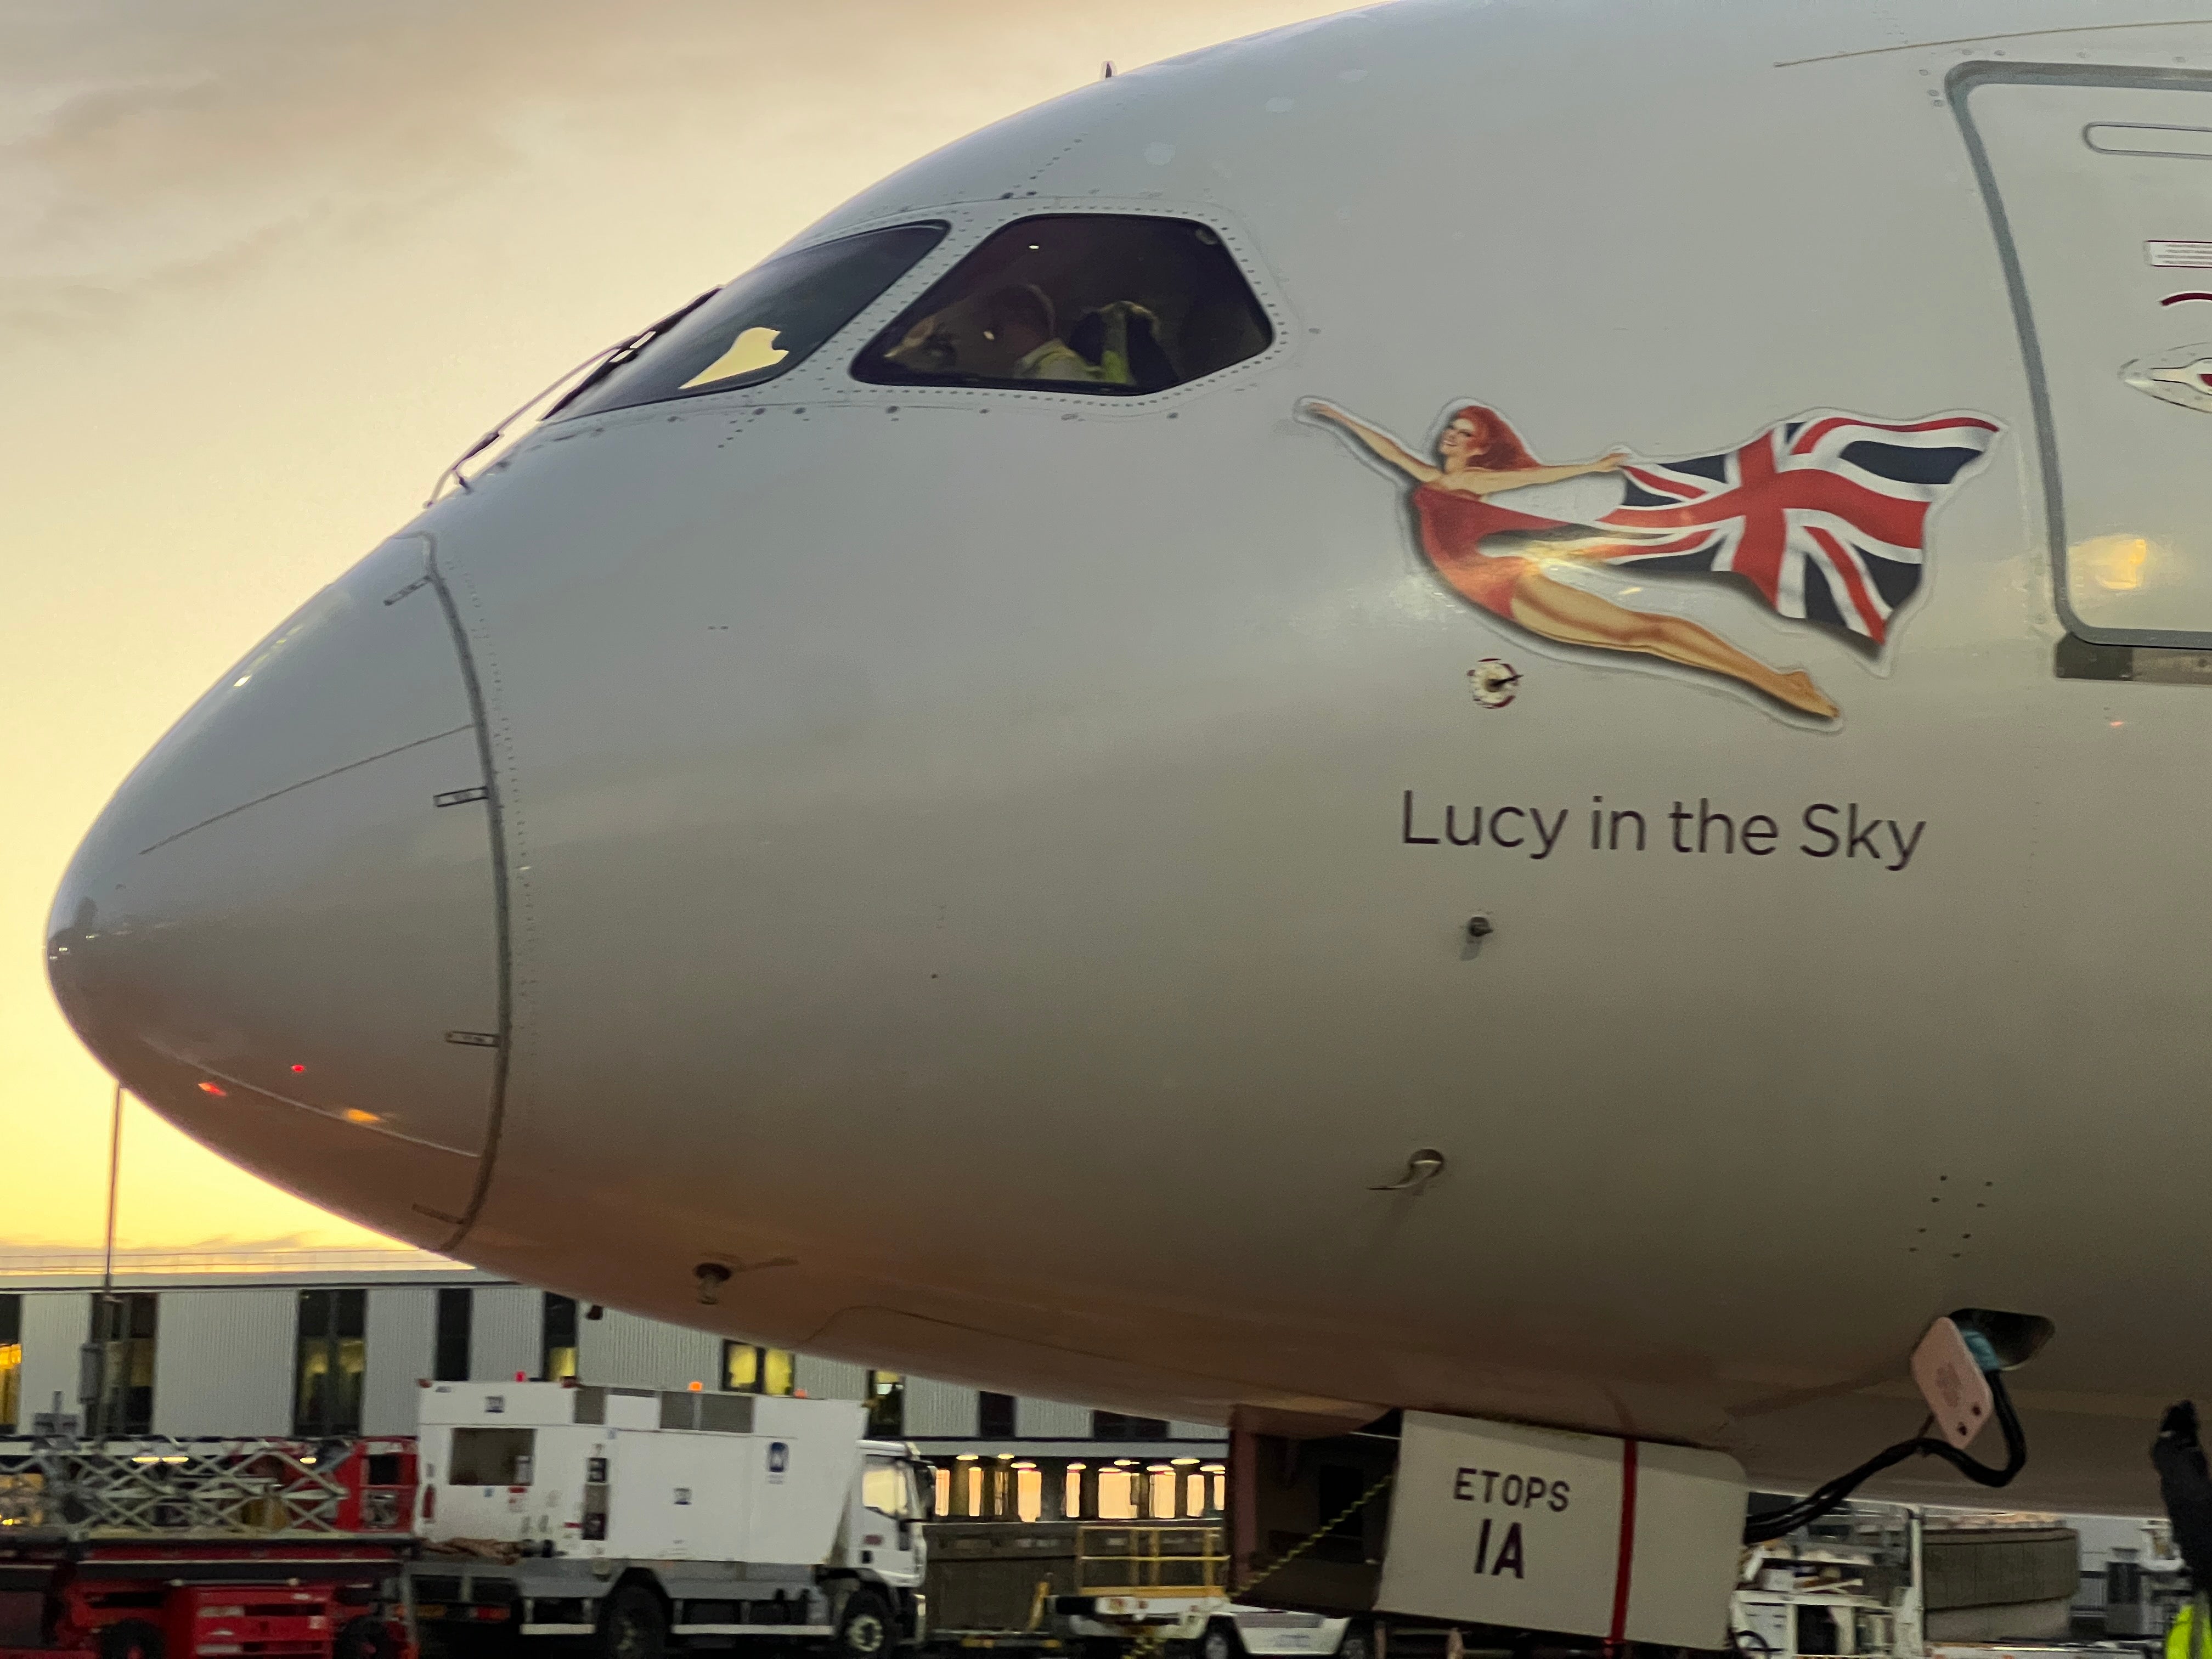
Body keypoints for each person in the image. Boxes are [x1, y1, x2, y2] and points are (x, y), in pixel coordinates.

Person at [1301, 398, 1839, 719]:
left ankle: (1778, 682)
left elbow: (1538, 477)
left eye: (1465, 432)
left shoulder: (1477, 480)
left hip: (1502, 583)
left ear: (1481, 445)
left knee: (1642, 632)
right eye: (1452, 429)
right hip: (1491, 589)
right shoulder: (1437, 477)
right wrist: (1340, 418)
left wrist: (1594, 464)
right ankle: (1777, 681)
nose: (1452, 437)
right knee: (1640, 635)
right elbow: (1389, 451)